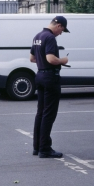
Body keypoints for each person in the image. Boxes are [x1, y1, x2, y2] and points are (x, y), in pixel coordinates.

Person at [29, 16, 70, 158]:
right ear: (58, 25)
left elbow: (32, 58)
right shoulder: (50, 37)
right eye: (62, 30)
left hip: (39, 75)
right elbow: (51, 59)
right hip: (50, 78)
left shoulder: (38, 36)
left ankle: (37, 147)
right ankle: (45, 148)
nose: (61, 33)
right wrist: (63, 61)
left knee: (40, 113)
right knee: (49, 114)